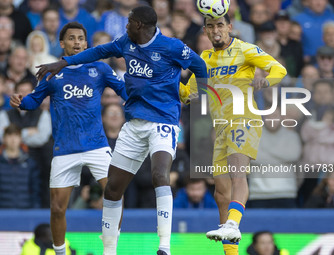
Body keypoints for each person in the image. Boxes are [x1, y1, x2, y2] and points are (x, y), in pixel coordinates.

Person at [35, 6, 207, 255]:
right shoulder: (126, 42)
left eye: (128, 23)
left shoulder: (171, 47)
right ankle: (110, 250)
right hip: (134, 125)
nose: (125, 26)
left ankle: (164, 246)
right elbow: (97, 51)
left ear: (139, 25)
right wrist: (63, 62)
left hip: (164, 122)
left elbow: (200, 66)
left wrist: (198, 93)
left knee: (160, 175)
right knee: (113, 189)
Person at [10, 22, 127, 255]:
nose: (77, 42)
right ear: (62, 44)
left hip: (96, 145)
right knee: (57, 208)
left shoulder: (100, 69)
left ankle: (110, 248)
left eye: (81, 38)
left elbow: (124, 91)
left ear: (86, 43)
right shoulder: (53, 72)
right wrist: (22, 101)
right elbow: (34, 101)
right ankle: (60, 252)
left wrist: (139, 98)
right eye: (71, 38)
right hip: (65, 148)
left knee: (115, 193)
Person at [180, 14, 286, 255]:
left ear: (229, 27)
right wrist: (169, 76)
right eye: (210, 26)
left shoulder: (246, 49)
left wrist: (266, 83)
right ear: (205, 32)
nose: (215, 30)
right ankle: (230, 250)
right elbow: (188, 95)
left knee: (238, 174)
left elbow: (279, 69)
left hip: (244, 118)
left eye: (219, 25)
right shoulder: (204, 59)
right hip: (220, 128)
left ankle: (233, 224)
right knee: (221, 193)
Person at [0, 124, 41, 208]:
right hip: (3, 213)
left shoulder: (30, 163)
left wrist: (35, 211)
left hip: (26, 213)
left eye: (16, 135)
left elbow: (36, 191)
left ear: (20, 139)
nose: (13, 139)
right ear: (4, 139)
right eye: (9, 135)